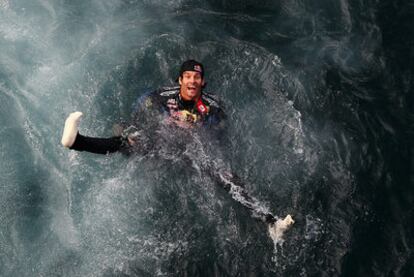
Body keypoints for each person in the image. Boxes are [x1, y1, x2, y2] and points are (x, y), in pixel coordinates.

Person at [61, 60, 294, 235]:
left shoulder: (212, 107)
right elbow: (140, 110)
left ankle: (271, 222)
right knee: (126, 140)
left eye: (197, 77)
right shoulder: (161, 96)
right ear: (180, 80)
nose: (192, 81)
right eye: (188, 76)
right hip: (161, 141)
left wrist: (197, 129)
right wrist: (159, 123)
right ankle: (76, 141)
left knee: (227, 178)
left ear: (202, 82)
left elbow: (220, 134)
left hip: (193, 150)